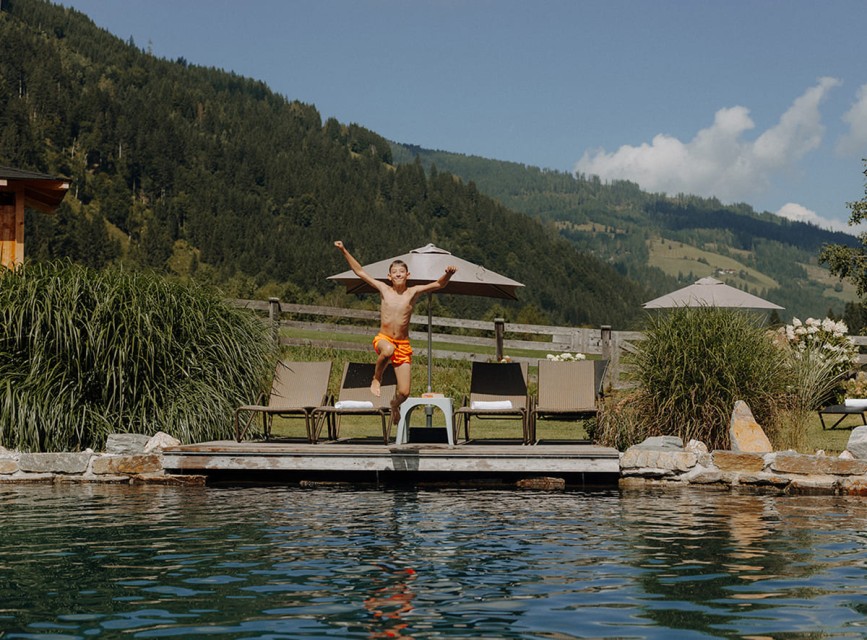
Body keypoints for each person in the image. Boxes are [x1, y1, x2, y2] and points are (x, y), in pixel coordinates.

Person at [334, 241, 456, 424]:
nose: (398, 274)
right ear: (389, 276)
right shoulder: (384, 289)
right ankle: (377, 378)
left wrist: (448, 274)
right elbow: (360, 272)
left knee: (405, 392)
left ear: (408, 275)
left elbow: (439, 284)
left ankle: (394, 405)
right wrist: (344, 250)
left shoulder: (413, 292)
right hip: (384, 339)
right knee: (388, 349)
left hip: (403, 345)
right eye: (394, 272)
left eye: (401, 272)